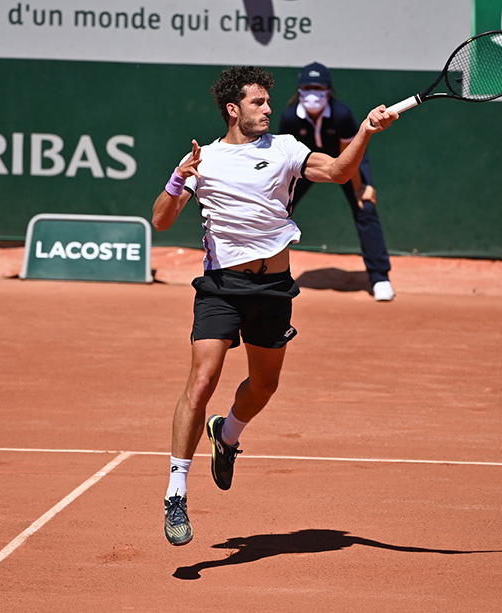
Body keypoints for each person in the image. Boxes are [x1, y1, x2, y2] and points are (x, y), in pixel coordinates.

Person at [151, 65, 398, 546]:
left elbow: (337, 171)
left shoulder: (285, 148)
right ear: (233, 109)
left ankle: (227, 435)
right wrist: (180, 178)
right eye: (258, 102)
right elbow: (161, 221)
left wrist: (365, 131)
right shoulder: (203, 159)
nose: (268, 109)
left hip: (274, 289)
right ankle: (176, 492)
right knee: (201, 381)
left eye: (268, 101)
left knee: (264, 385)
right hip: (222, 287)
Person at [278, 62, 396, 301]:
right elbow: (285, 157)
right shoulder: (290, 118)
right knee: (277, 209)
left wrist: (360, 188)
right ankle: (269, 273)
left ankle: (380, 277)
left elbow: (346, 160)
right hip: (304, 163)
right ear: (299, 90)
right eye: (308, 87)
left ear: (328, 90)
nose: (313, 92)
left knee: (365, 206)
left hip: (347, 161)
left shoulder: (342, 115)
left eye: (318, 87)